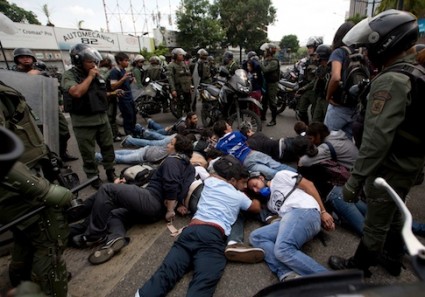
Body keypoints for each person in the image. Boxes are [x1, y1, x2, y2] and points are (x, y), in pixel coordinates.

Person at [328, 10, 424, 278]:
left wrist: (354, 182)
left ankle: (358, 267)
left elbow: (376, 141)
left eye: (371, 45)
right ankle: (392, 258)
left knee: (376, 220)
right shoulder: (411, 71)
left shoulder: (391, 80)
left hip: (390, 165)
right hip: (408, 163)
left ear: (388, 43)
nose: (367, 51)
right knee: (394, 213)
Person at [135, 155, 262, 297]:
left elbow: (213, 172)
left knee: (166, 272)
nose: (244, 186)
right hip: (212, 237)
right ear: (232, 180)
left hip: (190, 231)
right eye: (242, 182)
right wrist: (254, 195)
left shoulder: (211, 182)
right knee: (204, 282)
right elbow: (255, 208)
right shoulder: (239, 196)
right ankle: (234, 242)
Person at [72, 134, 195, 265]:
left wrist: (170, 210)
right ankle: (115, 238)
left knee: (107, 190)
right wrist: (177, 204)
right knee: (115, 214)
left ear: (178, 149)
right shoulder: (190, 169)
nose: (168, 145)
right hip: (154, 211)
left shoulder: (172, 160)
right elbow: (183, 188)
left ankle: (91, 232)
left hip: (151, 200)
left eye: (171, 143)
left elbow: (172, 185)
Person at [0, 81, 73, 297]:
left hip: (17, 181)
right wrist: (43, 189)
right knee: (51, 238)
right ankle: (49, 288)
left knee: (26, 234)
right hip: (16, 185)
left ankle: (22, 281)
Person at [248, 170, 334, 281]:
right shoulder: (270, 204)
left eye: (255, 185)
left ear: (261, 178)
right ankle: (288, 274)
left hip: (304, 210)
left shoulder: (280, 176)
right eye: (253, 190)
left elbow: (309, 185)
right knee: (256, 236)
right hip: (289, 218)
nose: (256, 190)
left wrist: (323, 212)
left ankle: (333, 282)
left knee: (283, 249)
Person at [61, 43, 116, 188]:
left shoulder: (98, 73)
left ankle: (110, 171)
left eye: (94, 61)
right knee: (88, 153)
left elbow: (100, 93)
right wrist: (90, 77)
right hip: (84, 122)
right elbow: (76, 92)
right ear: (78, 61)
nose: (93, 64)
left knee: (108, 147)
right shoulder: (70, 75)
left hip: (102, 118)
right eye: (89, 61)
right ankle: (93, 177)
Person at [298, 122, 366, 236]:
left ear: (318, 136)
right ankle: (401, 239)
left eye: (311, 138)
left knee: (364, 229)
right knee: (374, 218)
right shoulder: (335, 135)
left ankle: (398, 246)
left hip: (339, 192)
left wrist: (323, 212)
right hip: (342, 187)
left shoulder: (321, 151)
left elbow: (304, 163)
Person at [12, 47, 79, 162]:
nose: (26, 59)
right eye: (22, 57)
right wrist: (27, 77)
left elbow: (52, 86)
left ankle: (62, 154)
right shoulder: (14, 74)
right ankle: (50, 160)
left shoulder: (40, 71)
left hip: (48, 106)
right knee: (41, 138)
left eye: (28, 57)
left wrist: (59, 102)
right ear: (17, 60)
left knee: (64, 132)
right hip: (31, 110)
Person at [213, 120, 295, 179]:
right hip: (253, 153)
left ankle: (290, 180)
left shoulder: (218, 146)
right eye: (228, 126)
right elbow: (246, 141)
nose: (230, 126)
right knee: (277, 166)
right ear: (225, 130)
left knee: (271, 173)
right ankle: (297, 175)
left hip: (246, 163)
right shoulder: (236, 134)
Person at [324, 21, 356, 139]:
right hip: (355, 106)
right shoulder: (362, 53)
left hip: (339, 105)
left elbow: (336, 77)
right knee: (347, 143)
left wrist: (328, 96)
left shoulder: (339, 52)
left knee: (329, 140)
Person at [296, 37, 323, 125]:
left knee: (315, 114)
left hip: (315, 90)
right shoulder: (307, 60)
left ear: (316, 47)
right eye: (308, 48)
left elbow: (316, 79)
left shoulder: (320, 61)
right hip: (307, 89)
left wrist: (304, 88)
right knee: (301, 110)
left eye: (310, 47)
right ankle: (306, 129)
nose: (308, 50)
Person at [109, 52, 137, 136]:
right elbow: (113, 86)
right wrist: (123, 78)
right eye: (126, 61)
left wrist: (131, 79)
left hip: (129, 97)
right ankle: (129, 135)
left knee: (133, 116)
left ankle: (133, 132)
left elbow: (126, 83)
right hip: (123, 98)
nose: (127, 62)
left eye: (128, 61)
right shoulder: (114, 71)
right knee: (128, 116)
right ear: (119, 61)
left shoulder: (124, 70)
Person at [99, 56, 123, 142]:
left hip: (110, 95)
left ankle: (116, 132)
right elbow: (102, 80)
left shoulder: (102, 70)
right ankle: (114, 135)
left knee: (112, 115)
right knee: (110, 117)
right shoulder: (104, 71)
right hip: (108, 96)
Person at [167, 48, 192, 118]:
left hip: (186, 88)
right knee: (180, 104)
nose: (182, 56)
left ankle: (189, 120)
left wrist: (190, 86)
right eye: (180, 55)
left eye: (182, 55)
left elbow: (188, 75)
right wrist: (173, 90)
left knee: (188, 103)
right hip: (179, 88)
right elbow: (170, 78)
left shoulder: (184, 64)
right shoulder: (171, 66)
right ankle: (180, 120)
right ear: (175, 56)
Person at [260, 43, 280, 126]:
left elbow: (265, 70)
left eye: (266, 51)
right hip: (266, 83)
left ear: (270, 51)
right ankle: (263, 117)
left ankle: (273, 120)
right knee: (264, 100)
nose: (264, 52)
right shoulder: (268, 60)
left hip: (272, 84)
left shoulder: (274, 62)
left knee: (272, 102)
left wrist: (260, 62)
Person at [312, 44, 332, 123]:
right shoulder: (320, 68)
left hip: (327, 99)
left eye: (318, 55)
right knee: (315, 121)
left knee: (326, 122)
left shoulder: (331, 68)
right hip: (320, 97)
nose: (316, 58)